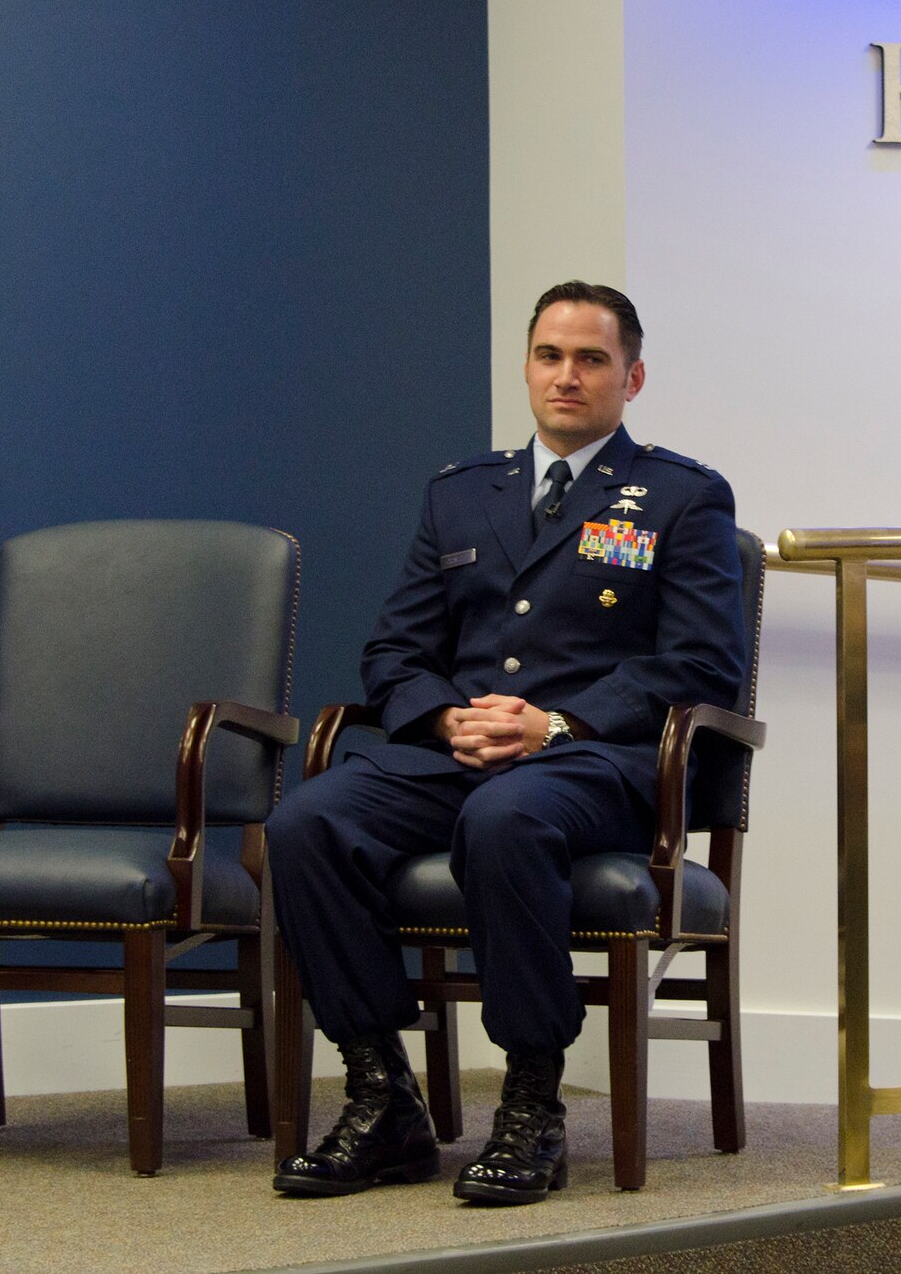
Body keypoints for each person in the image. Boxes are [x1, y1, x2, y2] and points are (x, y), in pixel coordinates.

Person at [267, 281, 746, 1205]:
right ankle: (381, 1093)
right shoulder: (459, 493)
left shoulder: (683, 496)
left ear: (632, 376)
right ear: (528, 367)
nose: (567, 376)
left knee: (505, 815)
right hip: (460, 750)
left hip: (593, 762)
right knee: (305, 822)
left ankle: (532, 1100)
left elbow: (699, 665)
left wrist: (556, 723)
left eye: (592, 359)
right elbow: (395, 650)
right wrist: (447, 716)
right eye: (549, 356)